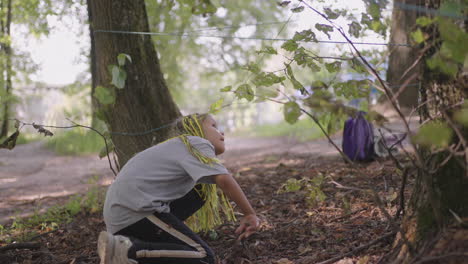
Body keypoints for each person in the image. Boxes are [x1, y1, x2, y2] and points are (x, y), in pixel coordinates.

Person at [98, 113, 260, 264]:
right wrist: (249, 213)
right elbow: (224, 180)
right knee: (204, 256)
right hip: (134, 211)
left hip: (124, 215)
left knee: (200, 192)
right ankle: (128, 252)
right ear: (194, 128)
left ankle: (147, 243)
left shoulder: (176, 148)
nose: (221, 132)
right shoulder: (195, 142)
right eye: (214, 126)